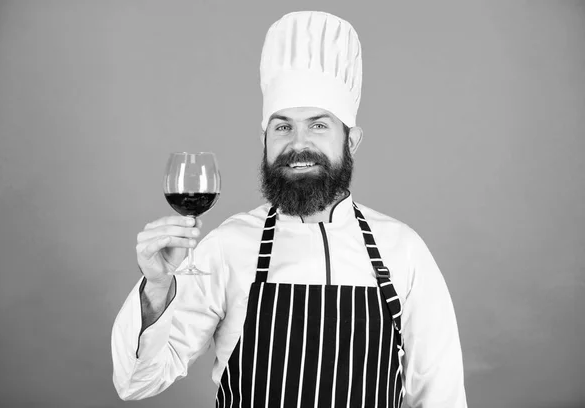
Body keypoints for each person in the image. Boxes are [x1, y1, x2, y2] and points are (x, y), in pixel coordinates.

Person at [111, 11, 467, 407]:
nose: (298, 144)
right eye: (283, 127)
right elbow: (136, 382)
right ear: (264, 139)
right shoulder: (229, 246)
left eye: (318, 125)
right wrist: (156, 289)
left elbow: (441, 396)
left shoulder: (403, 250)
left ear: (352, 141)